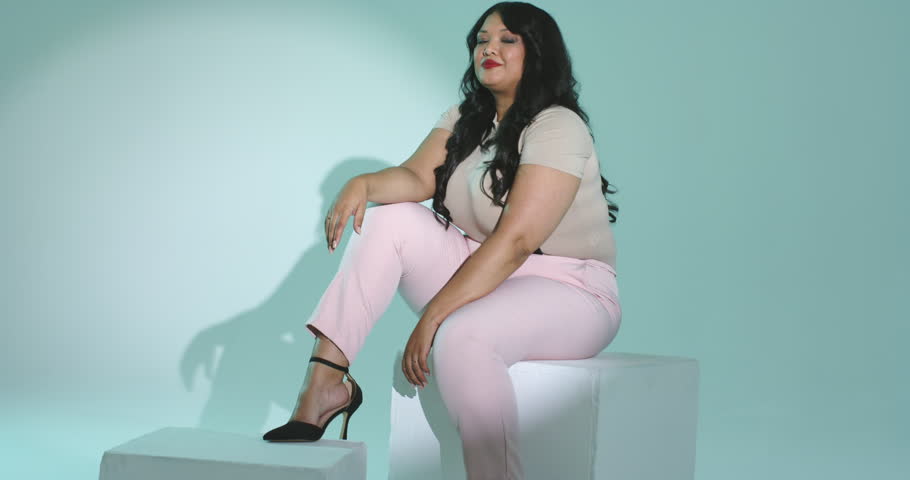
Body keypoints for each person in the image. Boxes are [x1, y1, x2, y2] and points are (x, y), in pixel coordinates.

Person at [263, 2, 621, 479]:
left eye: (507, 39)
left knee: (460, 337)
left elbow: (516, 240)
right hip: (481, 267)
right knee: (390, 220)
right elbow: (415, 177)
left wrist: (433, 316)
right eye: (481, 39)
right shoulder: (465, 118)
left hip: (571, 289)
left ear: (537, 53)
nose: (488, 48)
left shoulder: (557, 125)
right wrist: (363, 184)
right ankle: (327, 380)